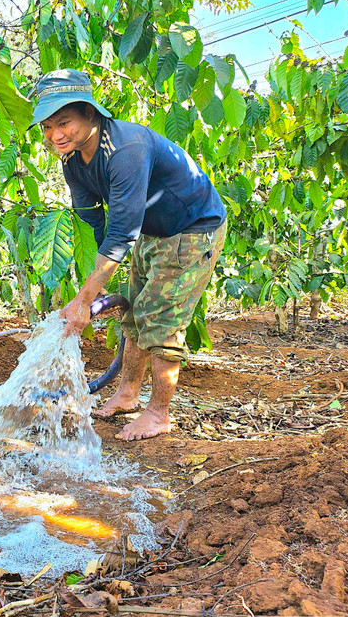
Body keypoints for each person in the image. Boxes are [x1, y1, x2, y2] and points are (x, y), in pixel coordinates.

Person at [31, 69, 227, 441]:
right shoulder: (72, 160)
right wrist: (92, 288)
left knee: (161, 319)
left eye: (64, 123)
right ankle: (127, 394)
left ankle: (158, 413)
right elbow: (94, 220)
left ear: (90, 113)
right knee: (135, 315)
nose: (55, 135)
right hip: (153, 230)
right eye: (47, 126)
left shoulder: (125, 150)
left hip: (193, 227)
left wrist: (83, 300)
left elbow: (120, 235)